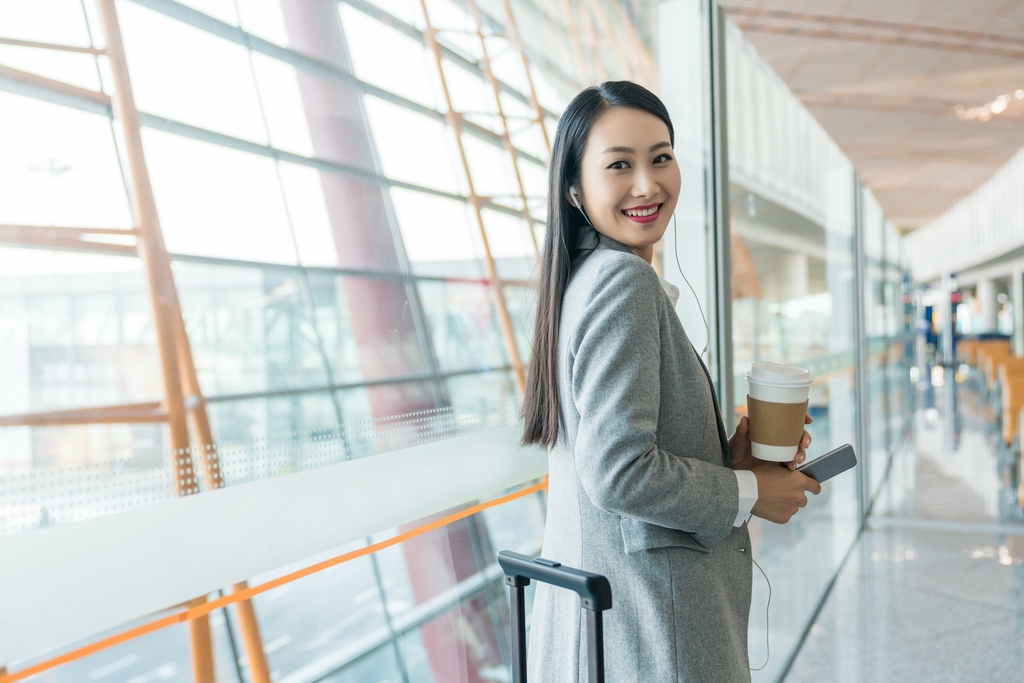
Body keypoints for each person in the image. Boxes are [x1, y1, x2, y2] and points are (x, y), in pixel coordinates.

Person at [521, 81, 822, 682]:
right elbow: (619, 471)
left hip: (609, 627)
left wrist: (734, 461)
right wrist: (750, 493)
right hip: (653, 629)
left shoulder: (579, 282)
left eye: (661, 157)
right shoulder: (622, 285)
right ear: (575, 189)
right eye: (619, 165)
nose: (646, 184)